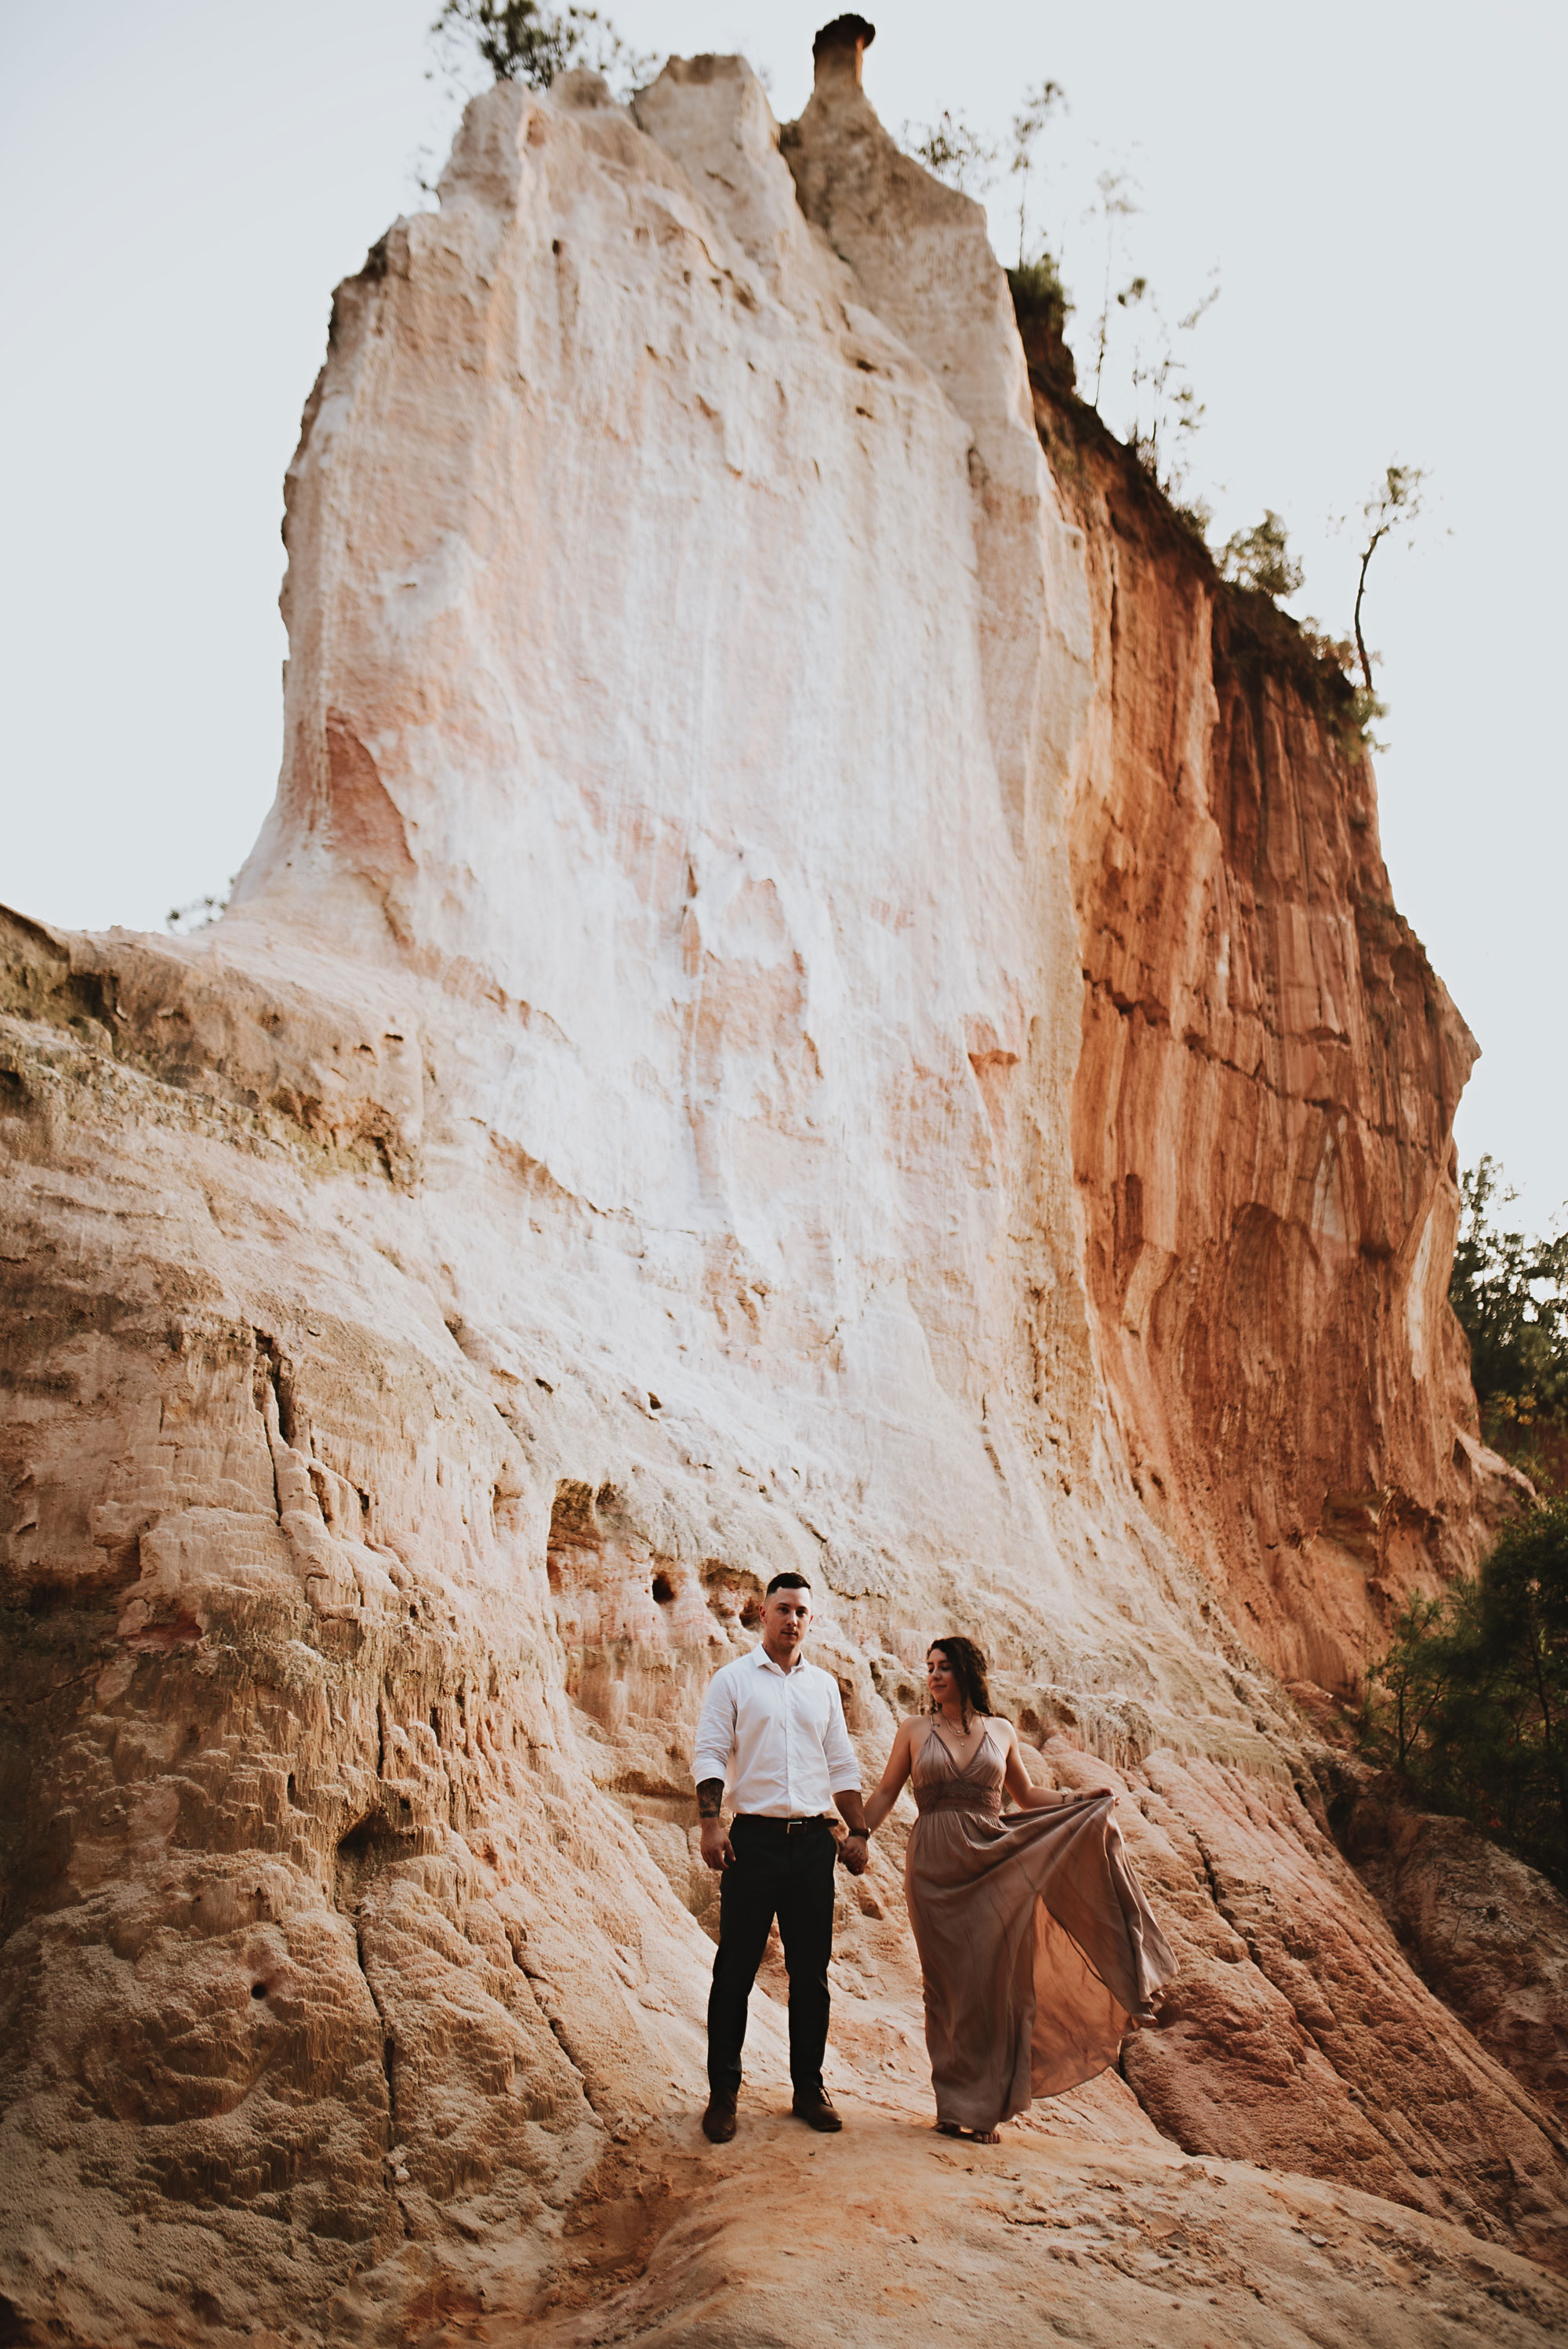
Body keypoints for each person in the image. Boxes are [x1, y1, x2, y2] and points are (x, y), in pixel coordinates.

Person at [862, 1634, 1177, 2143]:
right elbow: (883, 1792)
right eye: (930, 1667)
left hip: (992, 1859)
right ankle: (952, 2105)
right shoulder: (914, 1730)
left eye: (944, 1667)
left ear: (967, 1672)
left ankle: (983, 2108)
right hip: (933, 1867)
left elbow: (1027, 1796)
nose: (934, 1675)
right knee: (944, 1985)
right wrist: (858, 1835)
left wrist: (1077, 1798)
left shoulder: (1001, 1730)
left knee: (992, 1984)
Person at [692, 1571, 870, 2142]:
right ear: (763, 1613)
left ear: (810, 1621)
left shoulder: (823, 1687)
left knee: (811, 1976)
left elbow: (841, 1762)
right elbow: (711, 1752)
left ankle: (808, 2090)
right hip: (753, 1843)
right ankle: (723, 2095)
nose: (792, 1619)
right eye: (784, 1609)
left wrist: (859, 1831)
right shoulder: (733, 1680)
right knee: (735, 1971)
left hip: (814, 1844)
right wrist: (711, 1824)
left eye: (801, 1612)